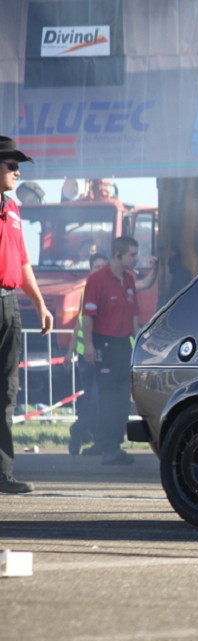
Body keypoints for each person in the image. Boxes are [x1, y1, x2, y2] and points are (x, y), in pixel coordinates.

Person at [0, 136, 54, 493]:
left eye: (20, 166)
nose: (18, 171)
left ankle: (2, 475)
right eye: (11, 164)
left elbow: (22, 262)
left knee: (6, 392)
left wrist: (40, 304)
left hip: (9, 303)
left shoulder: (14, 209)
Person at [81, 235, 141, 466]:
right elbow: (88, 315)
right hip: (104, 342)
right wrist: (88, 344)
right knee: (108, 397)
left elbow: (134, 315)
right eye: (132, 255)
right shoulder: (97, 279)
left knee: (121, 398)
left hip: (123, 345)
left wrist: (139, 345)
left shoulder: (129, 280)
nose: (136, 259)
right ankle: (109, 448)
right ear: (118, 255)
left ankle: (110, 442)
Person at [64, 253, 108, 455]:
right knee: (94, 399)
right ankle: (82, 433)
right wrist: (70, 351)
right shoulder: (88, 291)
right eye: (96, 266)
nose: (99, 269)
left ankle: (84, 434)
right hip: (86, 356)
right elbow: (80, 324)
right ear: (90, 269)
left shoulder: (106, 290)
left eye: (102, 266)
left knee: (97, 399)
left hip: (101, 354)